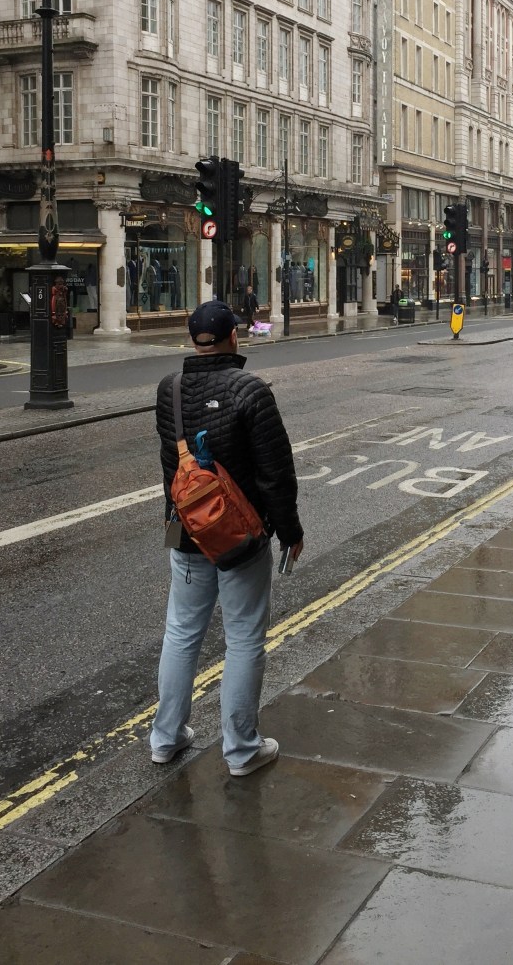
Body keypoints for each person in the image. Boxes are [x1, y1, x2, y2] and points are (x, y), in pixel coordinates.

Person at [151, 300, 303, 777]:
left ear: (193, 340)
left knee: (181, 634)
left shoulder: (169, 390)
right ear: (234, 337)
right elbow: (275, 475)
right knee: (243, 639)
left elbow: (170, 467)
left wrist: (178, 518)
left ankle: (165, 738)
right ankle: (241, 750)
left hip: (190, 532)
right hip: (240, 541)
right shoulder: (251, 392)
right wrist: (291, 532)